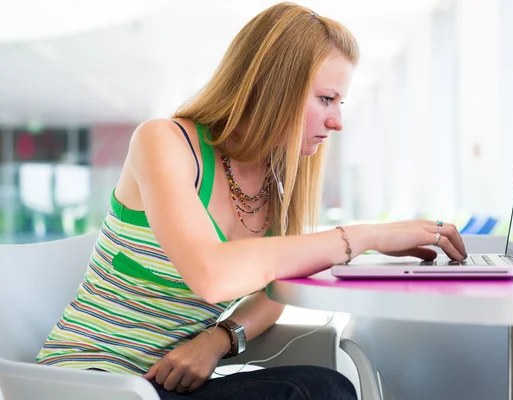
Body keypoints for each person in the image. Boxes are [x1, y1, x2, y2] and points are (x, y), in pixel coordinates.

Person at [36, 2, 467, 399]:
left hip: (169, 383)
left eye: (340, 102)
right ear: (271, 87)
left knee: (326, 387)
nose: (336, 121)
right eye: (325, 99)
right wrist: (369, 235)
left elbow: (274, 292)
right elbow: (212, 275)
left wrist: (219, 339)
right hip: (93, 382)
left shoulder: (273, 183)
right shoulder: (164, 141)